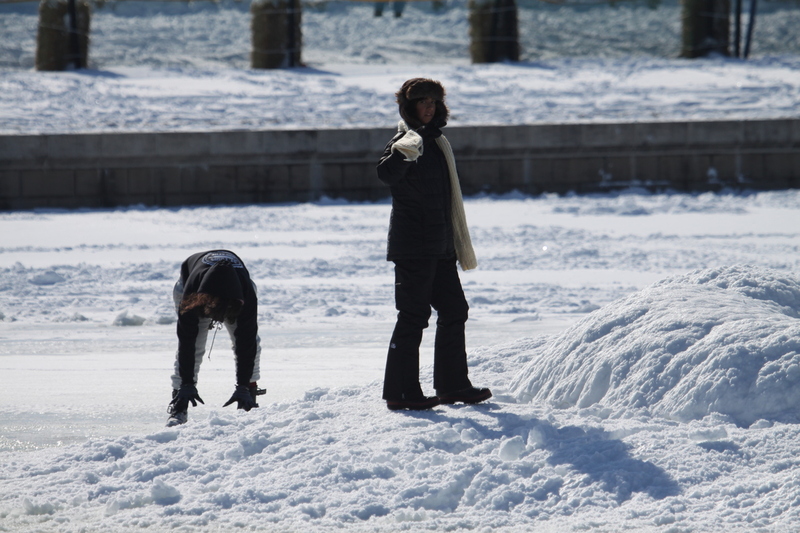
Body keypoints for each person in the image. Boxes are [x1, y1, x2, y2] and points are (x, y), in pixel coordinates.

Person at [376, 78, 492, 411]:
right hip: (413, 247)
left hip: (440, 246)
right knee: (413, 316)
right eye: (421, 102)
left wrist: (452, 246)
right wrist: (403, 153)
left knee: (455, 310)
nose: (428, 107)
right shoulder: (405, 141)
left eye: (433, 102)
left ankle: (453, 385)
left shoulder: (437, 141)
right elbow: (385, 175)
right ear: (408, 106)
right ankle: (400, 393)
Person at [166, 249, 264, 426]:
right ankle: (179, 403)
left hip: (237, 292)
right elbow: (187, 341)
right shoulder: (191, 295)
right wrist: (187, 383)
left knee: (252, 345)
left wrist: (243, 385)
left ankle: (248, 396)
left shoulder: (247, 295)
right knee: (195, 345)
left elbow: (246, 342)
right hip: (197, 290)